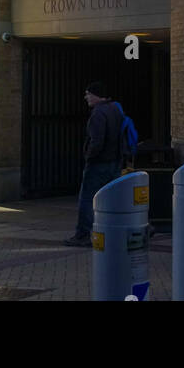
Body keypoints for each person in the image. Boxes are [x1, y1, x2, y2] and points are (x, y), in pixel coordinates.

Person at [63, 82, 124, 246]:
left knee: (87, 199)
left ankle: (83, 234)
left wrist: (89, 156)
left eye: (88, 94)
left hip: (99, 163)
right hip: (115, 161)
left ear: (97, 96)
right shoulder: (116, 110)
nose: (86, 97)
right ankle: (123, 229)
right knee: (114, 198)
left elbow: (97, 141)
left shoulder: (98, 113)